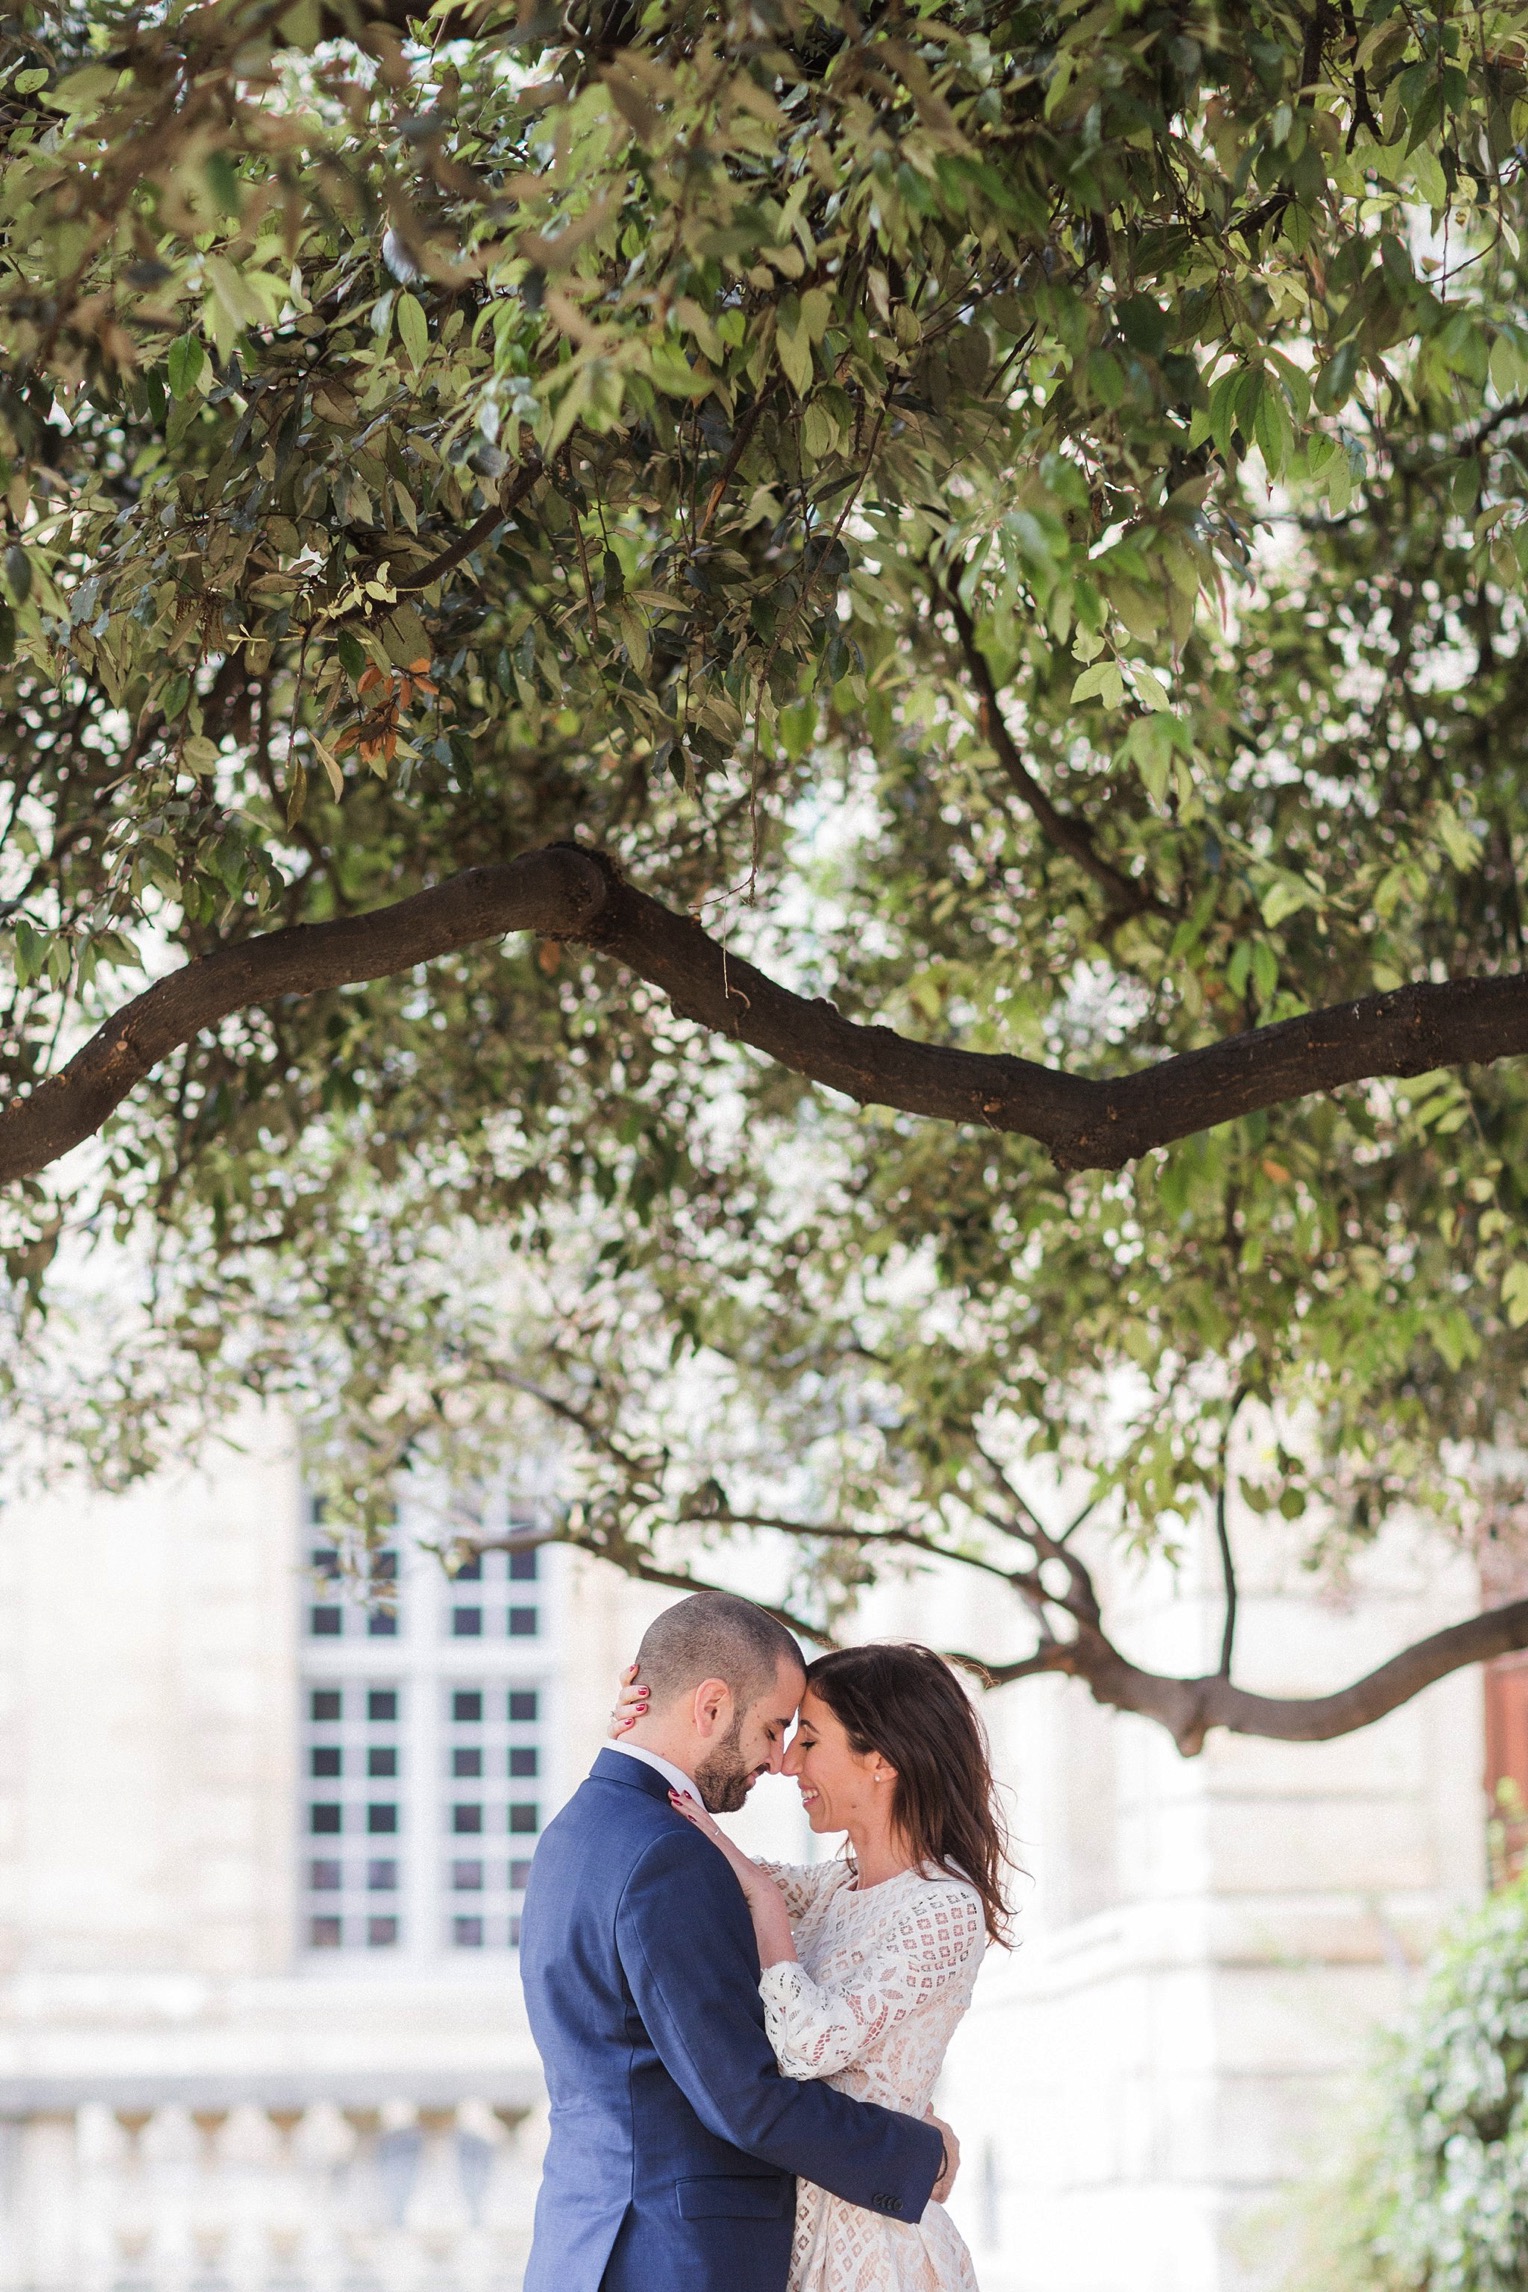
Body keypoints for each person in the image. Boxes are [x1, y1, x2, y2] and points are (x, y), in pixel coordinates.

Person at [519, 1591, 958, 2292]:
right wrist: (916, 2154)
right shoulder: (666, 1857)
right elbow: (742, 2101)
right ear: (712, 1706)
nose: (779, 1760)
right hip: (673, 2260)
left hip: (585, 2246)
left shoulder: (576, 1832)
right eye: (776, 1727)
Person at [610, 1636, 1011, 2292]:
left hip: (874, 2254)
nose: (788, 1763)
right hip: (788, 2235)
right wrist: (639, 1742)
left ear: (880, 1761)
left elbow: (808, 2046)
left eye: (811, 1741)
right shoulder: (832, 1888)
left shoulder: (945, 1907)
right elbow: (699, 1868)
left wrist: (766, 1906)